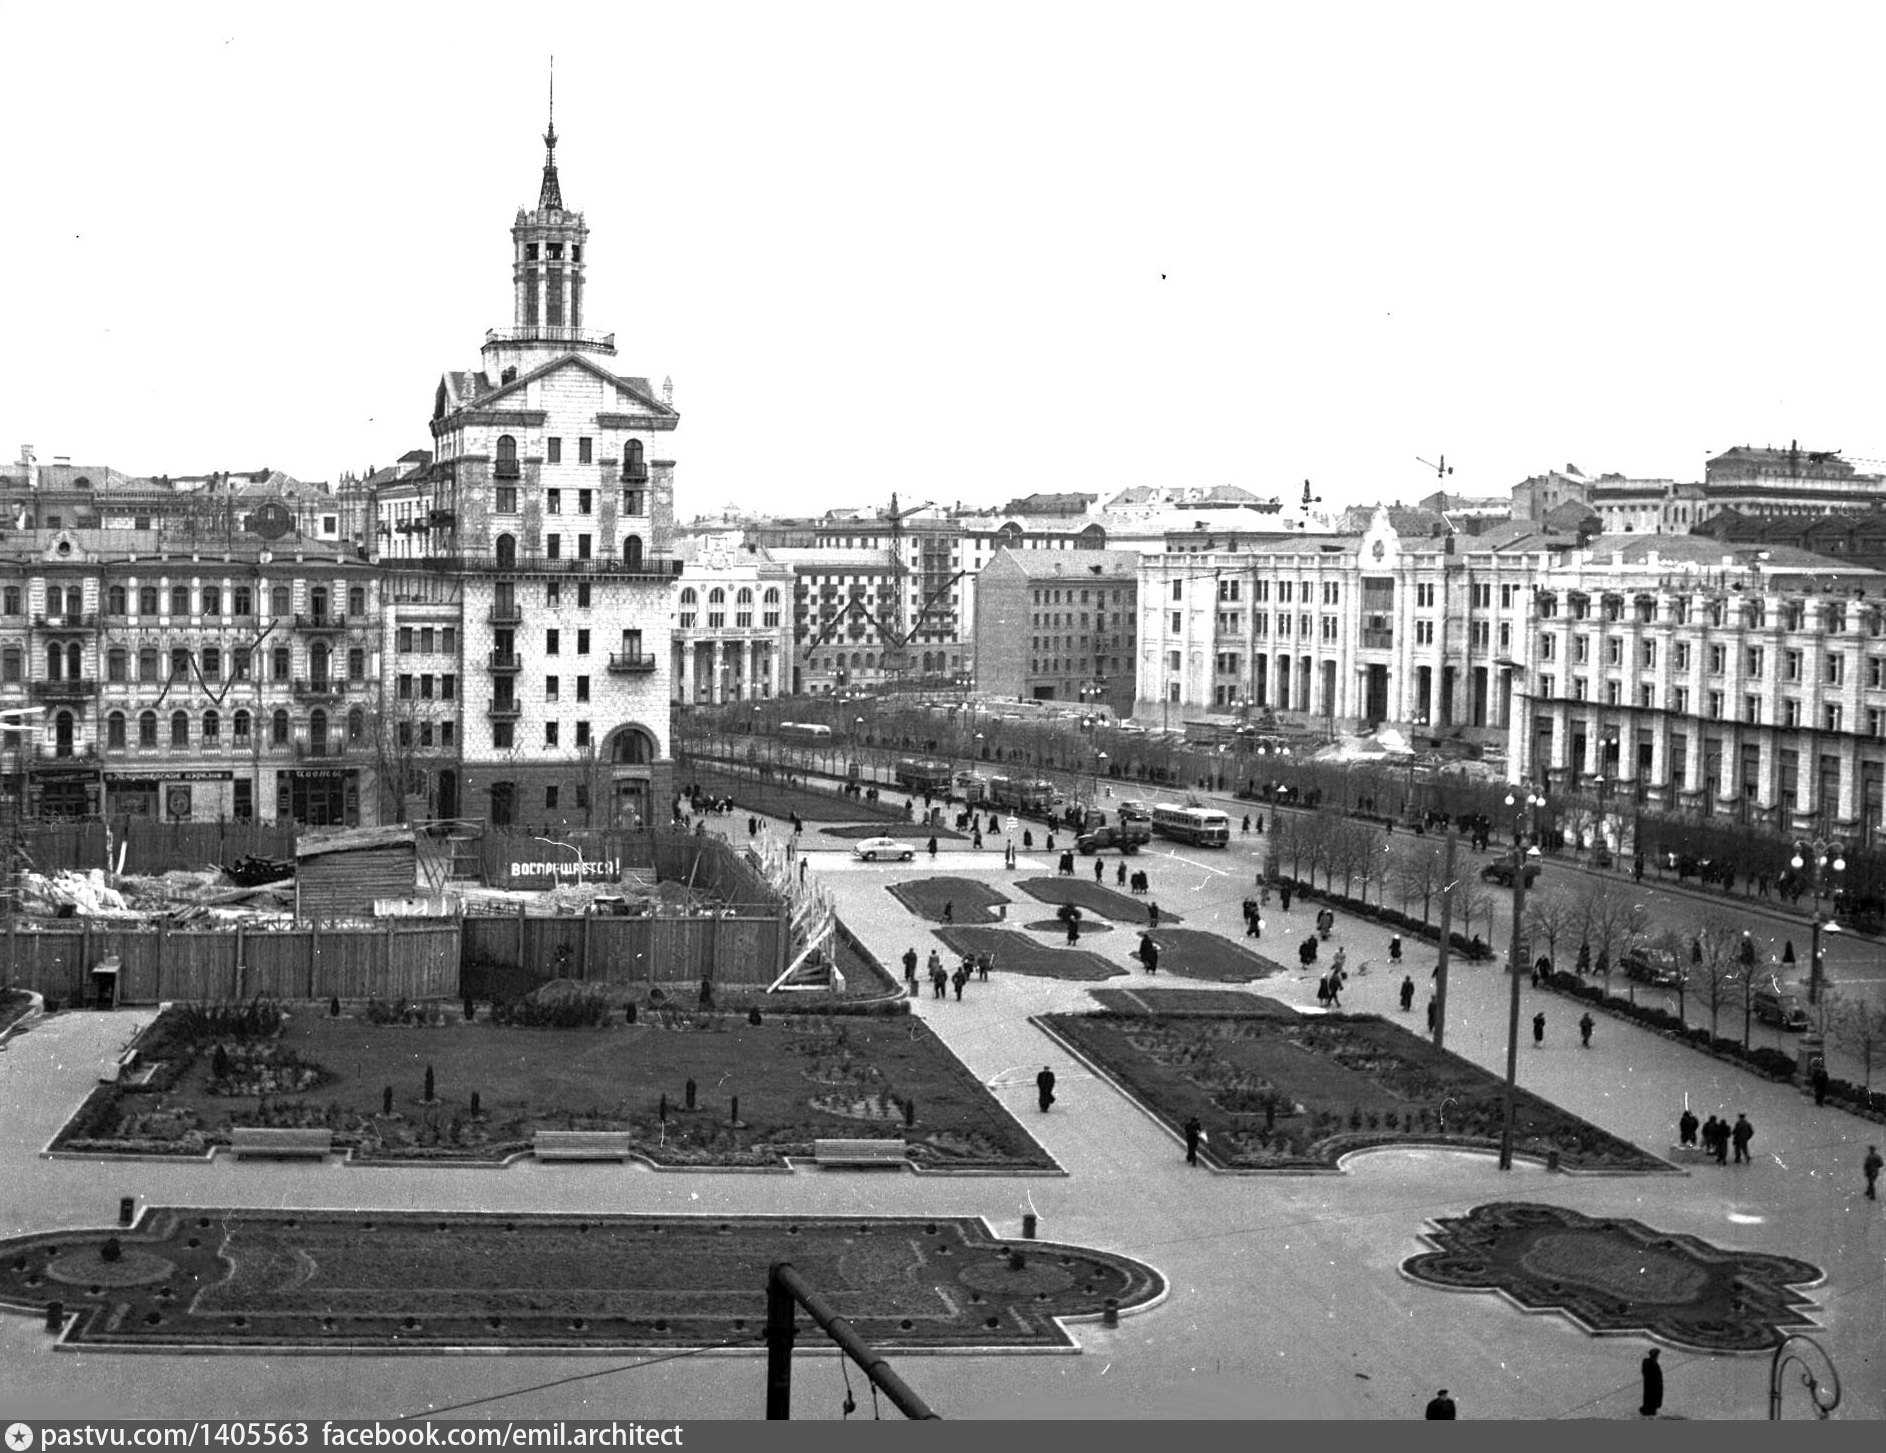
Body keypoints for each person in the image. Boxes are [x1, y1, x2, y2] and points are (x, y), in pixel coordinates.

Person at [1639, 1349, 1663, 1419]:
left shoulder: (1645, 1362)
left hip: (1647, 1383)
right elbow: (1657, 1377)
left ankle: (1647, 1409)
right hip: (1654, 1385)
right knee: (1653, 1398)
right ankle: (1650, 1411)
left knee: (1647, 1396)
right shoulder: (1655, 1365)